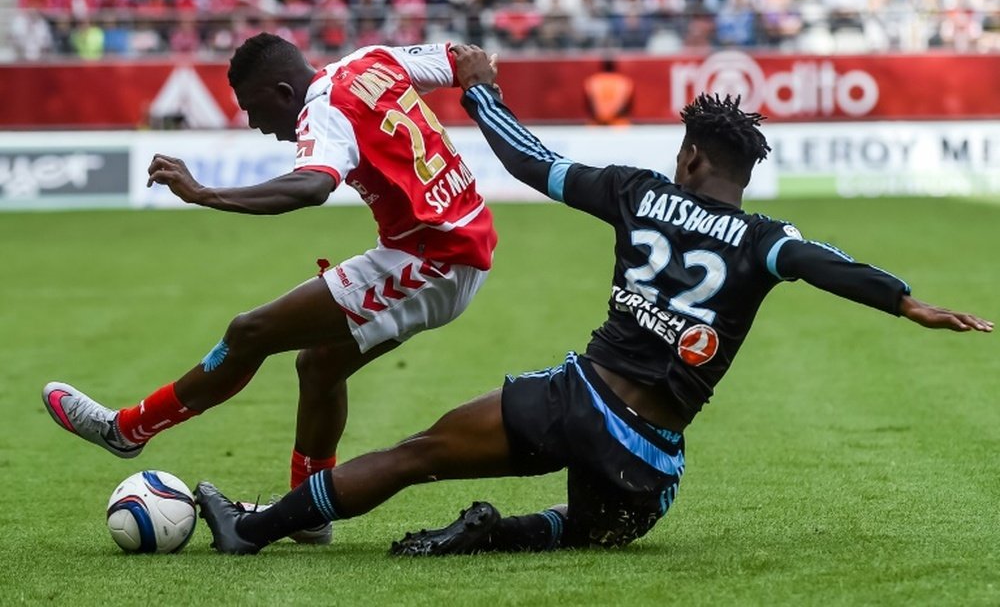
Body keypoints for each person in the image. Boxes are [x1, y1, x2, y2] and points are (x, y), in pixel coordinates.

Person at [194, 46, 992, 556]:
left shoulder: (639, 194)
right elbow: (827, 266)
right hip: (652, 466)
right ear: (742, 180)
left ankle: (254, 528)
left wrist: (480, 98)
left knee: (414, 457)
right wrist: (908, 302)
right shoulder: (765, 240)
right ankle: (499, 534)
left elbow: (533, 164)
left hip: (577, 404)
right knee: (588, 529)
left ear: (687, 157)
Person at [42, 35, 497, 545]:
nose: (256, 125)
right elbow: (466, 58)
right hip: (454, 237)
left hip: (434, 260)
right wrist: (479, 84)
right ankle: (309, 510)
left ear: (284, 92)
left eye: (254, 110)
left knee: (250, 330)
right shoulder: (373, 59)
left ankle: (127, 430)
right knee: (320, 363)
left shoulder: (322, 111)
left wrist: (203, 193)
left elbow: (312, 186)